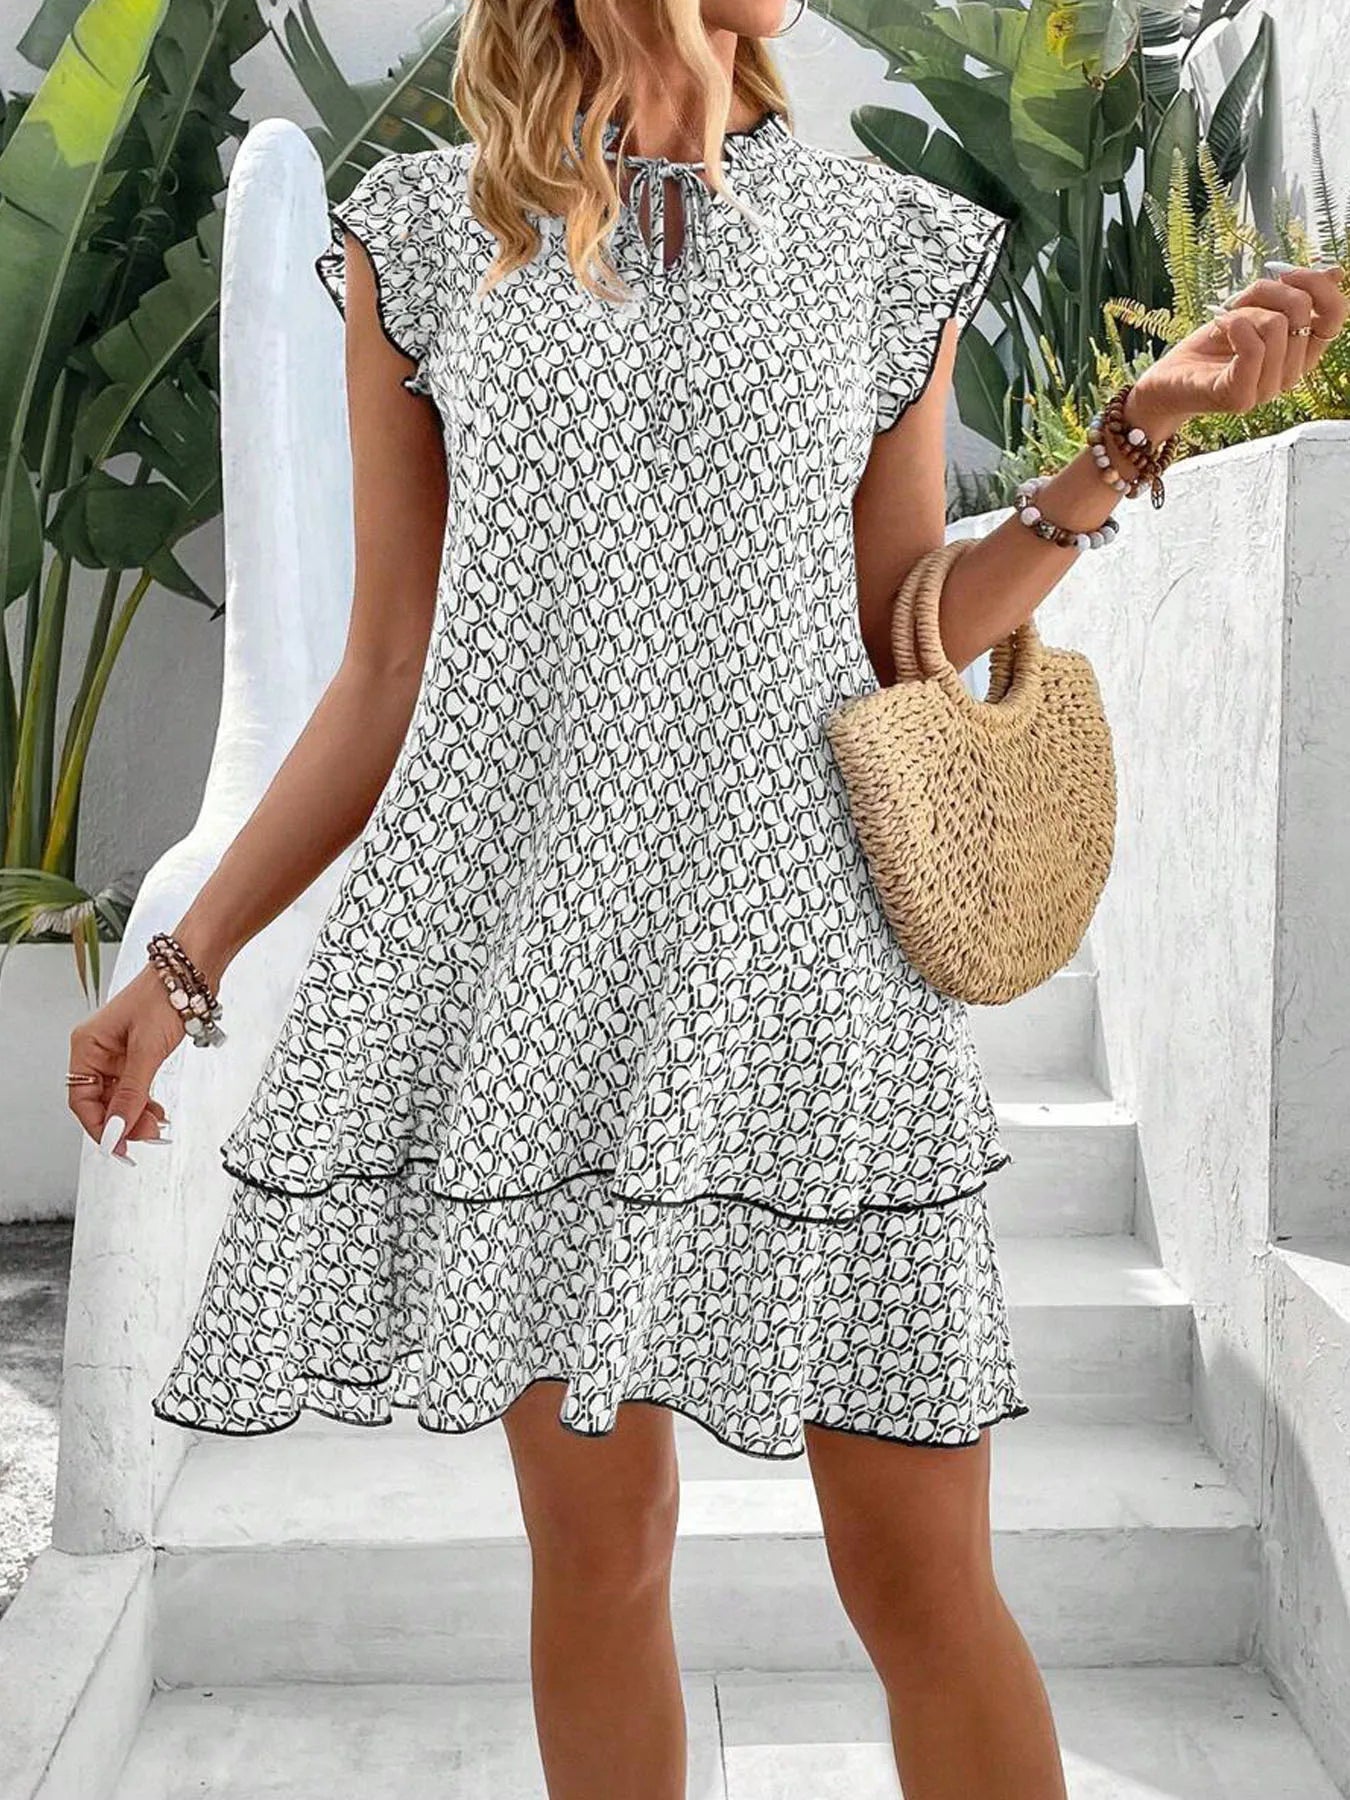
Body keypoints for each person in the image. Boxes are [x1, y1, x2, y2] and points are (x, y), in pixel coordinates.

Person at [65, 1, 1345, 1794]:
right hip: (538, 975)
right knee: (601, 1562)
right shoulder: (426, 237)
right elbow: (382, 677)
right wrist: (180, 967)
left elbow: (900, 629)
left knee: (924, 1582)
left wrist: (1124, 442)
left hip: (809, 974)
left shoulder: (878, 239)